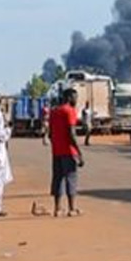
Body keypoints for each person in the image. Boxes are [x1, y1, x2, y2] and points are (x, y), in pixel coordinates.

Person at [49, 88, 84, 217]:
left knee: (57, 178)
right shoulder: (69, 111)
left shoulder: (54, 112)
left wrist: (56, 145)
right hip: (69, 151)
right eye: (75, 97)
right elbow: (72, 134)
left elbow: (50, 134)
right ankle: (72, 208)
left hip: (56, 151)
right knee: (71, 178)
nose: (76, 100)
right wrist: (79, 152)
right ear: (69, 98)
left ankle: (57, 209)